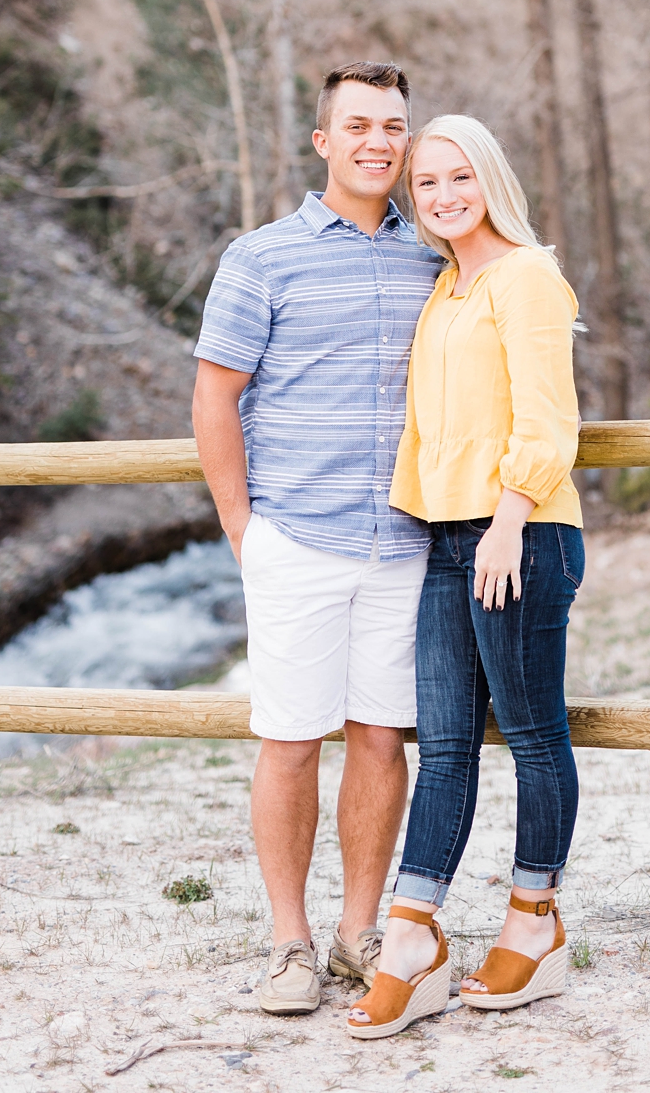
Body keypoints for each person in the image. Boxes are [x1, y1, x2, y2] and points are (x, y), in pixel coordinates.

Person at [191, 61, 444, 1016]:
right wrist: (241, 529)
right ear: (324, 143)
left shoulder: (436, 257)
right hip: (294, 537)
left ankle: (358, 932)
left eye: (394, 127)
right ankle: (289, 943)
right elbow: (216, 395)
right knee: (291, 739)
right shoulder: (262, 257)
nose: (379, 142)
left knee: (383, 740)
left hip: (403, 545)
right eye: (361, 125)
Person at [347, 114, 584, 1041]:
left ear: (490, 180)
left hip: (517, 536)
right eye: (427, 184)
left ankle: (536, 921)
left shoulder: (526, 278)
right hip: (447, 539)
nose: (443, 197)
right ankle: (414, 941)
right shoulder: (447, 288)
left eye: (459, 179)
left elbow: (549, 415)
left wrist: (510, 519)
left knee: (532, 734)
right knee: (442, 743)